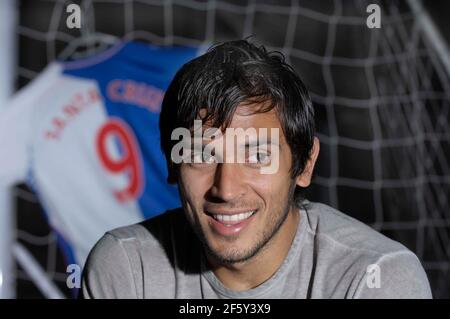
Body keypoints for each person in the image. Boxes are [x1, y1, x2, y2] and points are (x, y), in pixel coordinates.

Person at [81, 40, 432, 299]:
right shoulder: (125, 268)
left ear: (305, 165)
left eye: (257, 156)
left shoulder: (375, 278)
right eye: (201, 156)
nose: (227, 188)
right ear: (173, 164)